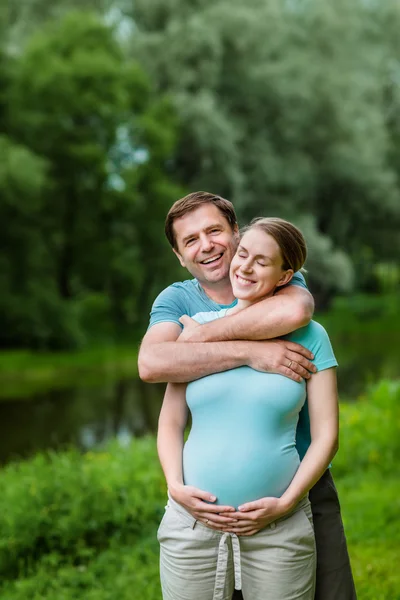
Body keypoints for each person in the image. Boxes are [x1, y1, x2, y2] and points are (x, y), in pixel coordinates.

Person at [138, 192, 357, 600]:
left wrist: (289, 501)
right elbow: (152, 366)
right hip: (198, 517)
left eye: (214, 231)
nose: (206, 245)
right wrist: (250, 350)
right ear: (179, 254)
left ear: (236, 234)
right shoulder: (180, 304)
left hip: (297, 492)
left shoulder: (278, 276)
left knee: (331, 589)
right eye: (190, 240)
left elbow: (295, 315)